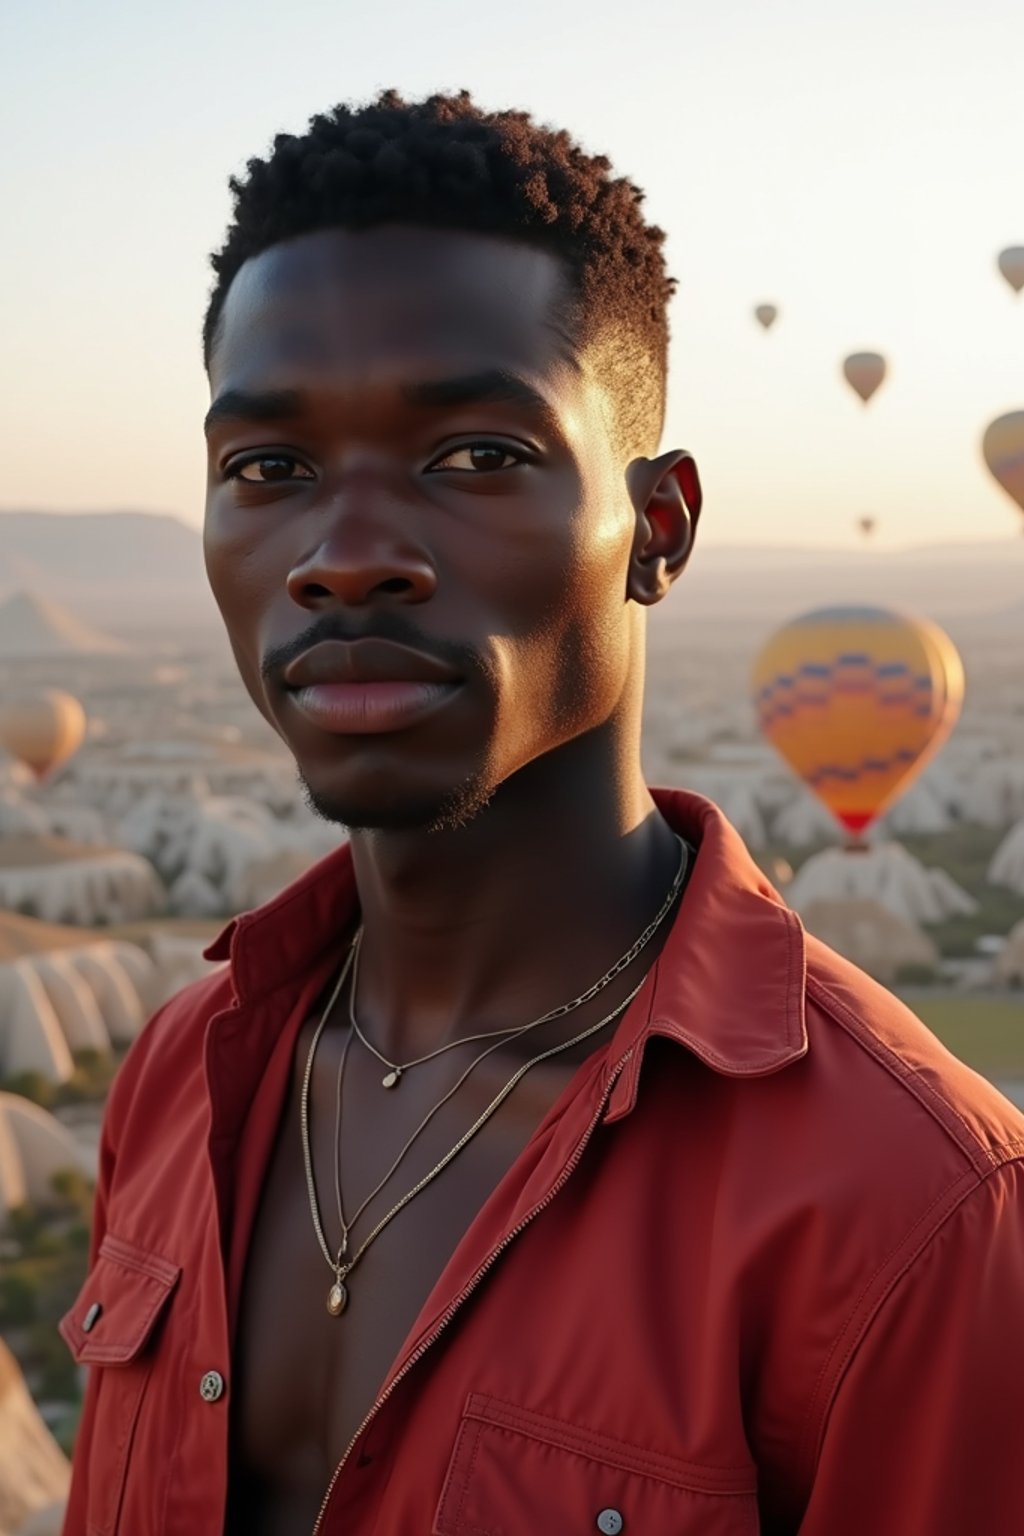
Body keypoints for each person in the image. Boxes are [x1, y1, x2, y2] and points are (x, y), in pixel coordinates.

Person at [60, 91, 1024, 1536]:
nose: (346, 558)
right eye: (268, 469)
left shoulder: (913, 1205)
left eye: (474, 458)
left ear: (662, 528)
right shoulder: (182, 1073)